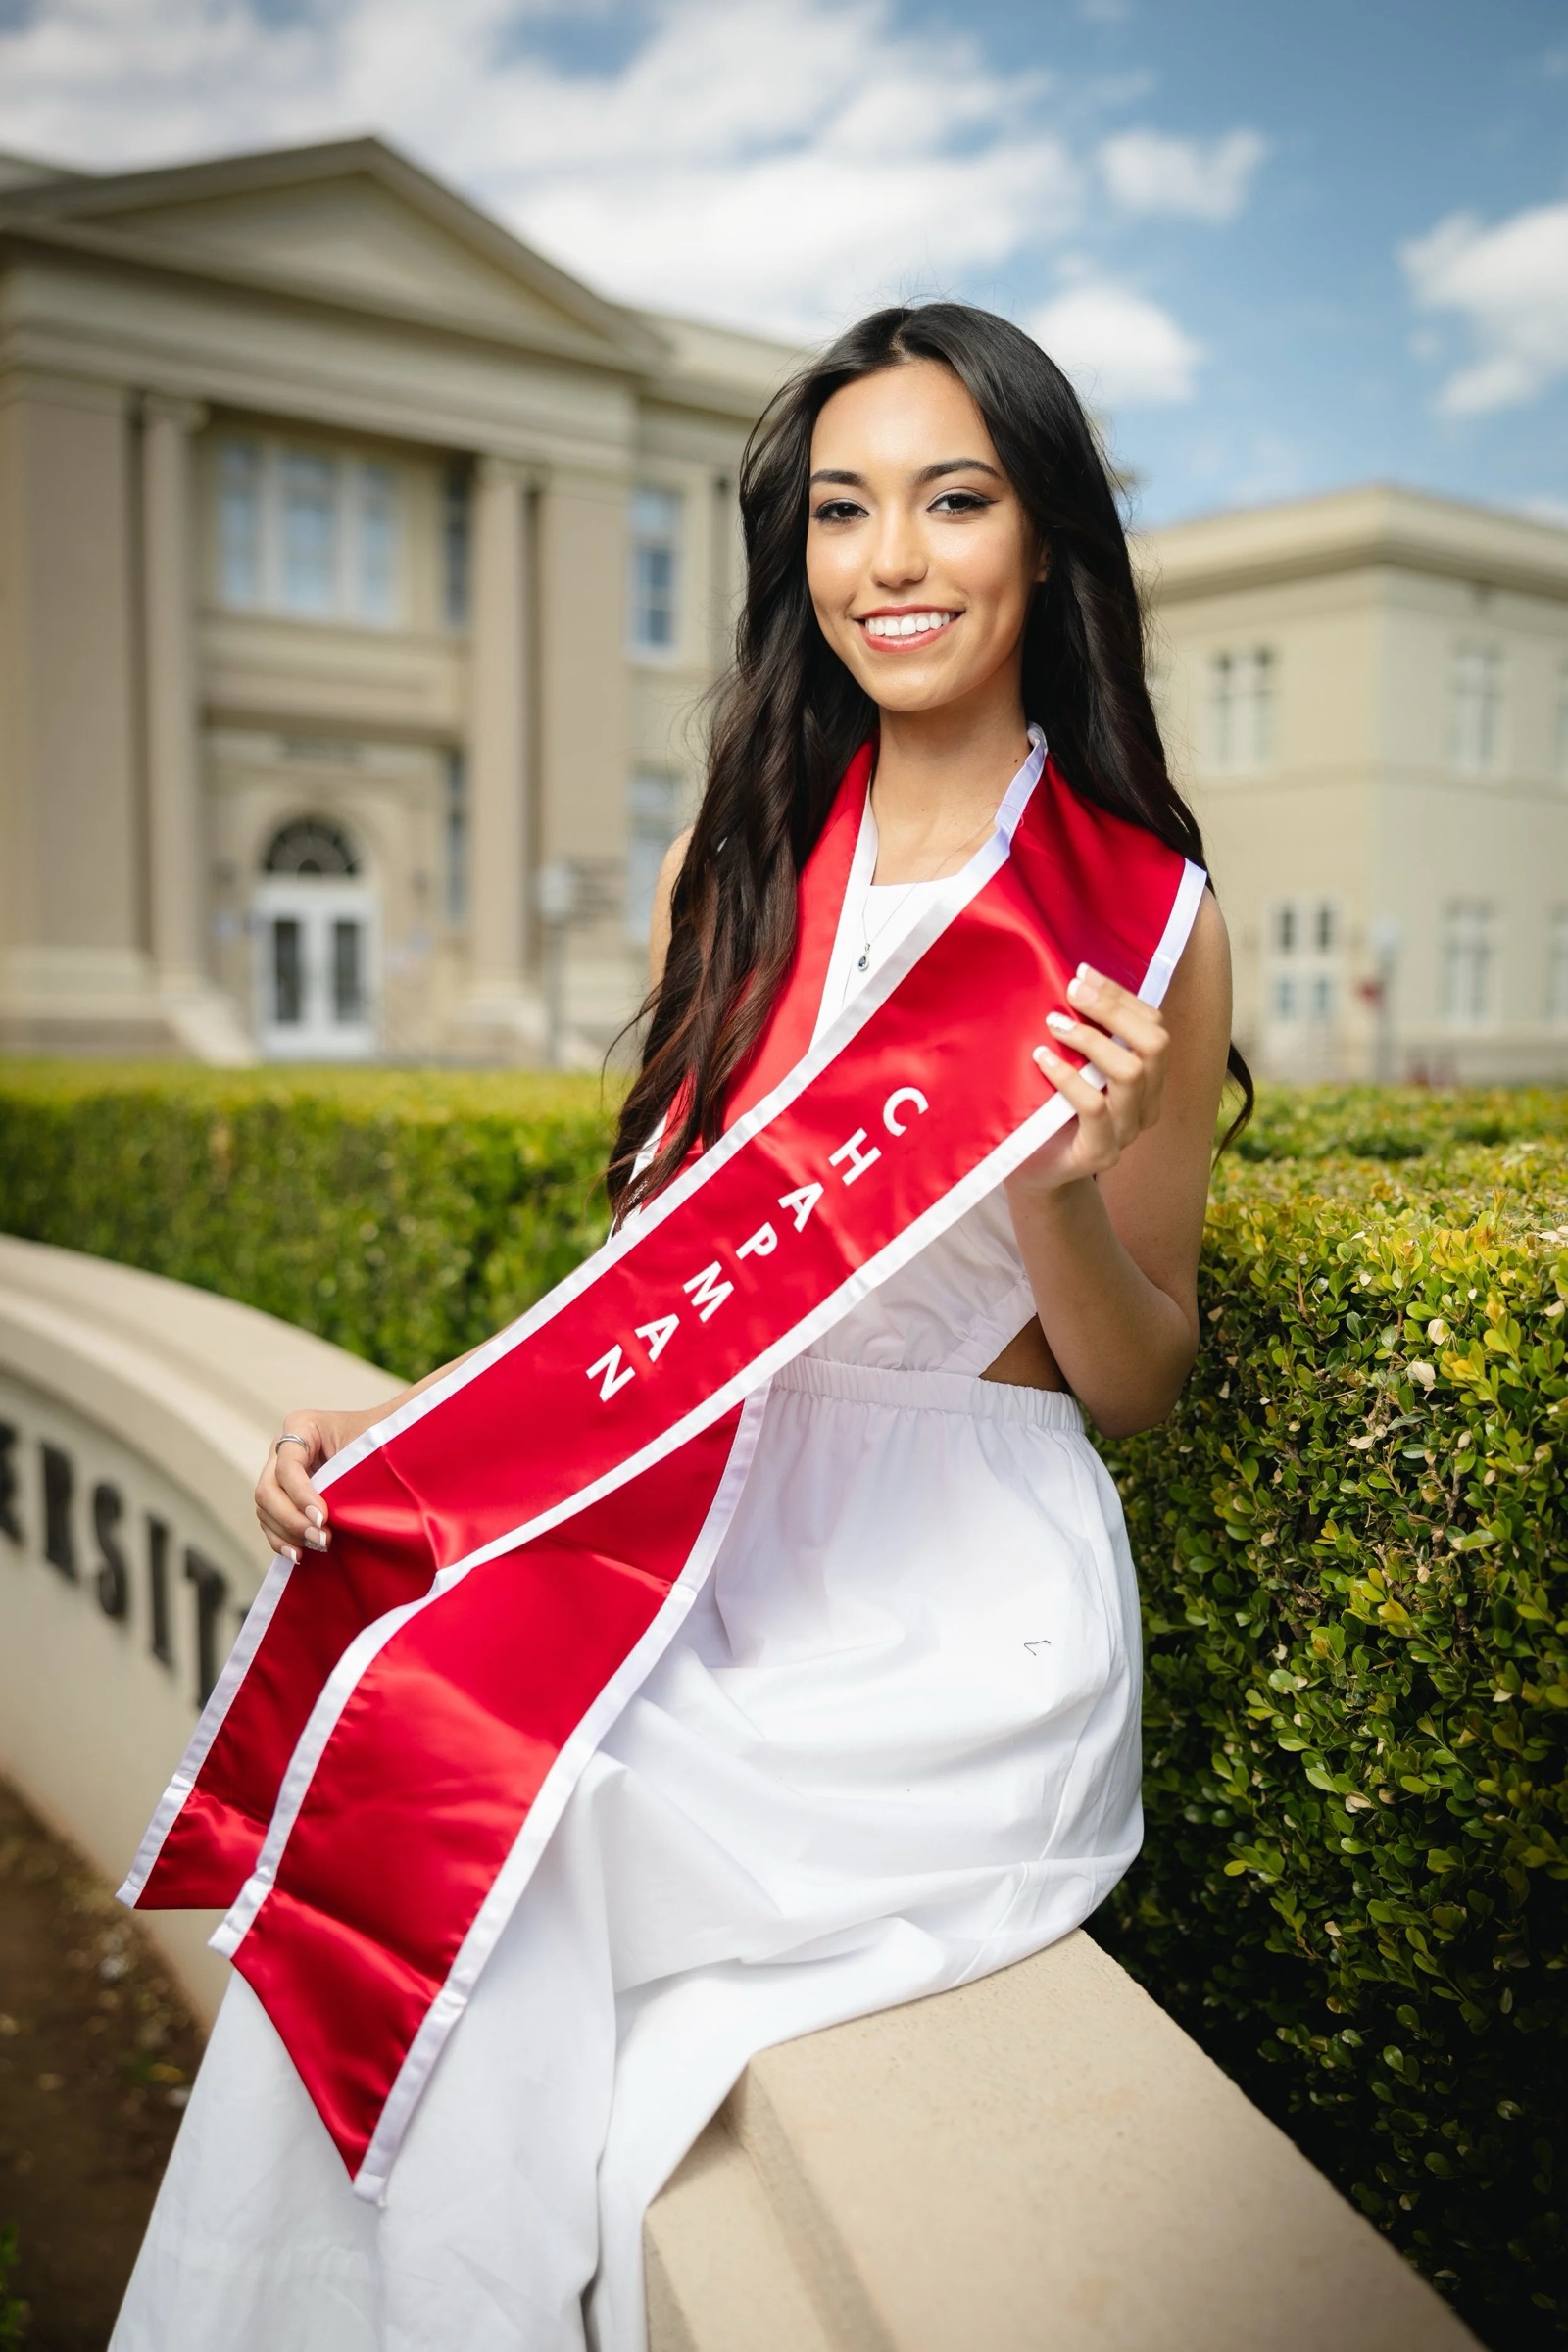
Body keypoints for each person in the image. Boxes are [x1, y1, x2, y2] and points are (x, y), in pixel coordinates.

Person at [112, 302, 1245, 2352]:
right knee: (423, 1785)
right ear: (792, 556)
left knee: (532, 1847)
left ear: (1047, 545)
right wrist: (411, 1434)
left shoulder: (1140, 914)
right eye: (839, 511)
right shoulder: (730, 872)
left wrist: (1057, 1193)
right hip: (707, 1523)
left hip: (949, 1604)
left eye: (950, 500)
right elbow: (655, 1285)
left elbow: (1139, 1382)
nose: (886, 560)